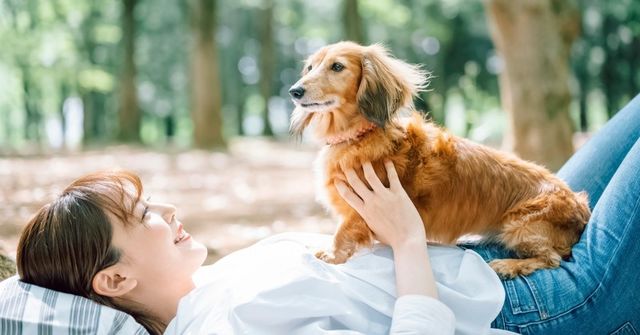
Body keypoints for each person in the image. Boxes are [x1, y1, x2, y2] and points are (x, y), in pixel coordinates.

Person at [14, 93, 640, 334]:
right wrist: (407, 242)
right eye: (144, 213)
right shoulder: (227, 329)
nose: (169, 209)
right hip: (552, 303)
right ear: (114, 280)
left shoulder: (213, 287)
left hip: (493, 252)